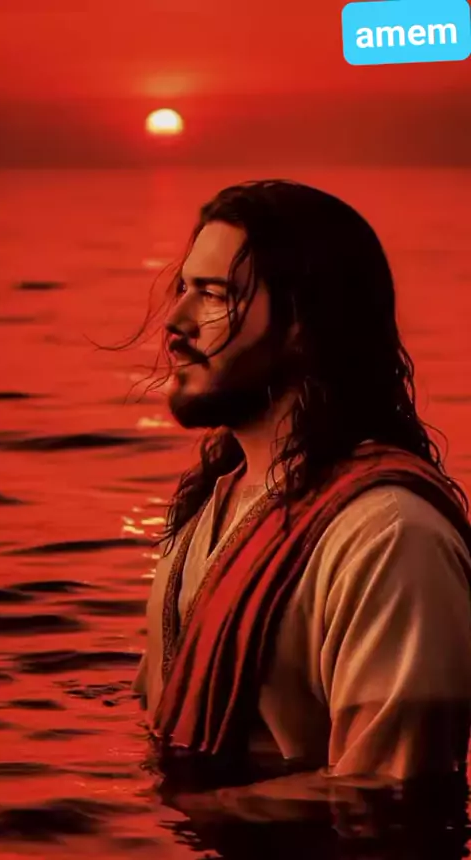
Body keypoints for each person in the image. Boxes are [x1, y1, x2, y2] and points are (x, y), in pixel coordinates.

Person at [133, 179, 471, 792]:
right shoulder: (205, 511)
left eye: (214, 295)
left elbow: (393, 794)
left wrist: (157, 815)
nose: (176, 322)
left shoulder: (390, 538)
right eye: (183, 289)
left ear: (304, 322)